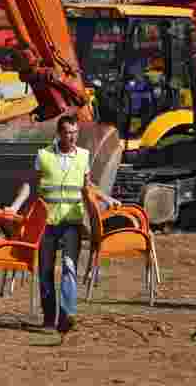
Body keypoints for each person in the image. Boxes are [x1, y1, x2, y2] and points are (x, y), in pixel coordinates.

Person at [7, 114, 119, 333]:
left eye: (75, 132)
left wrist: (107, 199)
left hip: (72, 222)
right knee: (46, 270)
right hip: (46, 222)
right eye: (68, 132)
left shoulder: (83, 156)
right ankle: (49, 318)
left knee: (69, 267)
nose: (72, 136)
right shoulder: (44, 155)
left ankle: (67, 314)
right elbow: (30, 184)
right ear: (59, 133)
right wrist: (14, 206)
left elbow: (88, 186)